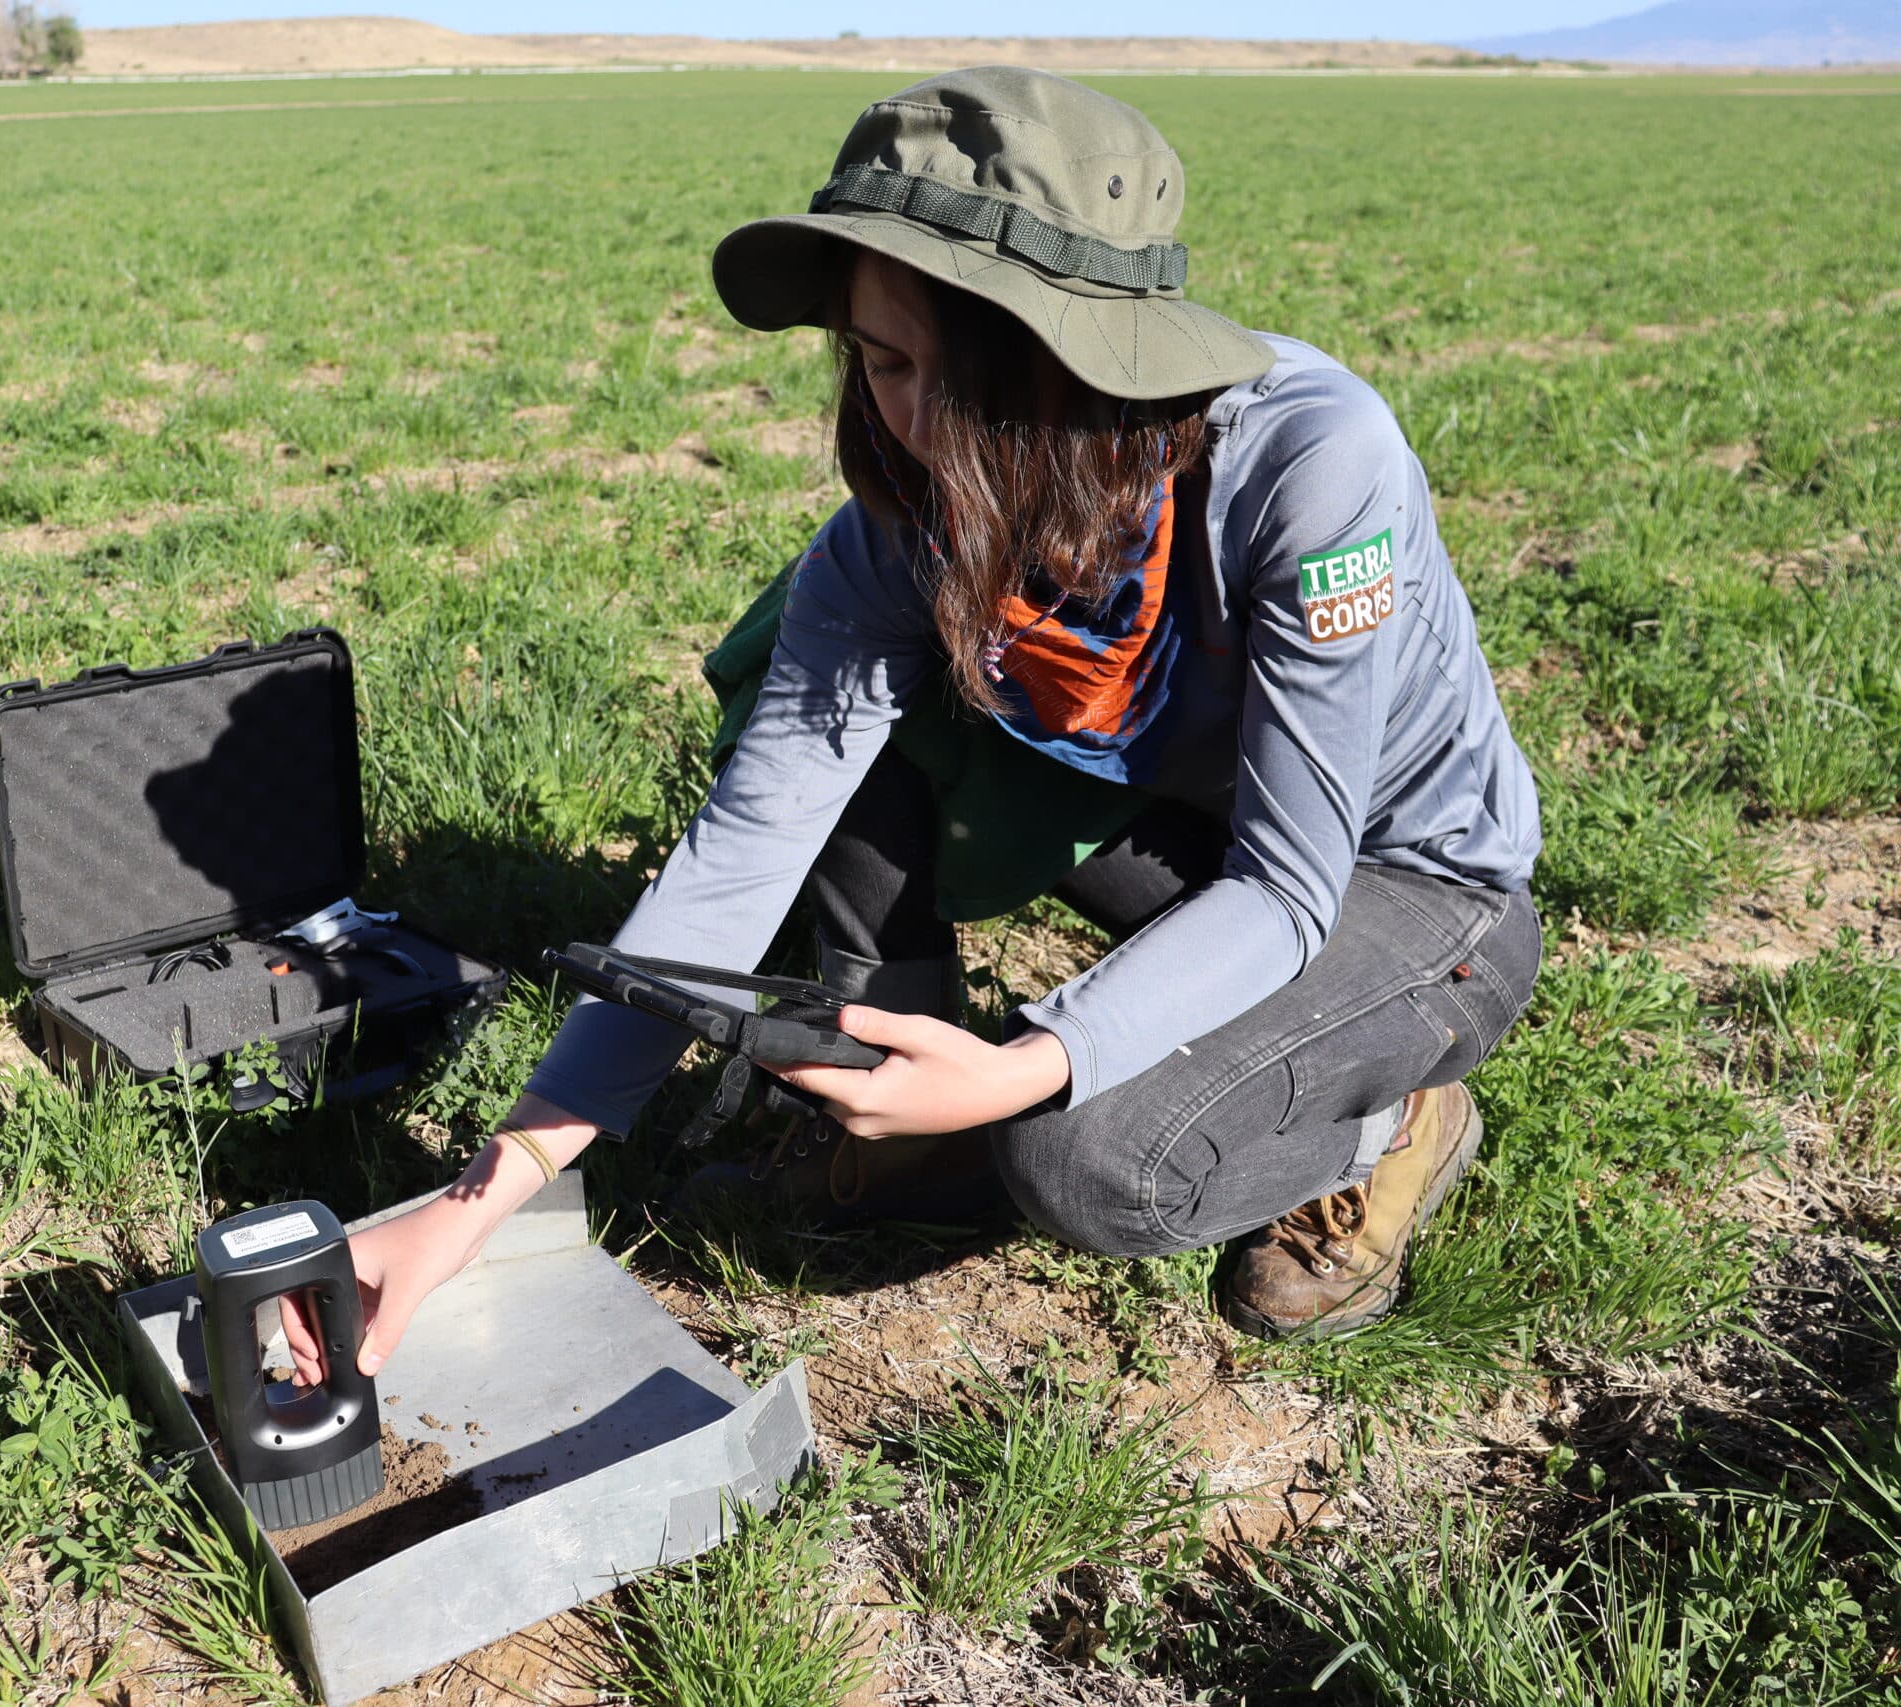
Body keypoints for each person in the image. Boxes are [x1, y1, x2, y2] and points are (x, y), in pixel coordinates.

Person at [283, 65, 1542, 1378]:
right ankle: (907, 1128)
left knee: (1085, 1155)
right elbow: (738, 865)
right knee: (831, 704)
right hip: (1175, 821)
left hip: (1399, 878)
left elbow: (1290, 885)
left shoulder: (1311, 467)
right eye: (884, 363)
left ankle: (1388, 1126)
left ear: (1097, 355)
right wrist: (468, 1209)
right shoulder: (895, 531)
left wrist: (1020, 1070)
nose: (922, 424)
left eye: (978, 375)